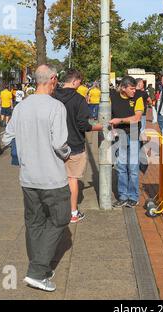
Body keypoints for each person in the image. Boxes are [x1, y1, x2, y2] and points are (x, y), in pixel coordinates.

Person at [2, 64, 71, 292]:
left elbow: (6, 137)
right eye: (56, 81)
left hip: (28, 177)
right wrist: (68, 153)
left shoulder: (21, 106)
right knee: (60, 219)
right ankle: (37, 272)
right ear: (52, 79)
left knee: (34, 222)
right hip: (52, 177)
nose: (56, 84)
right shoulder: (56, 107)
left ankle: (38, 267)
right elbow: (59, 144)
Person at [54, 69, 103, 223]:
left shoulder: (53, 96)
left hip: (55, 144)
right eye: (80, 81)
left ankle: (56, 210)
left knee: (56, 179)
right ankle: (73, 212)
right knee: (72, 179)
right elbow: (83, 125)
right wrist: (99, 127)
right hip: (74, 144)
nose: (80, 84)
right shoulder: (79, 99)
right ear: (74, 81)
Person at [109, 76, 144, 208]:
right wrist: (113, 129)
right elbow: (110, 115)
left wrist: (120, 120)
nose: (134, 91)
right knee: (121, 167)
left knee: (133, 168)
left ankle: (133, 197)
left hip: (134, 133)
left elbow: (137, 118)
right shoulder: (113, 97)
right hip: (121, 136)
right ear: (123, 88)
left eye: (135, 88)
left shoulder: (139, 96)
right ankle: (123, 196)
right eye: (131, 89)